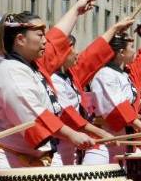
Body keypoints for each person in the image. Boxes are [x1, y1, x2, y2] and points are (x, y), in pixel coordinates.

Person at [0, 0, 97, 175]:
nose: (45, 40)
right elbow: (34, 115)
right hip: (1, 159)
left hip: (23, 159)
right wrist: (72, 134)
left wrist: (76, 10)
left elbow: (57, 39)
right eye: (40, 35)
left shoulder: (33, 68)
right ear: (21, 39)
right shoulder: (11, 70)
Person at [51, 20, 133, 164]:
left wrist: (113, 29)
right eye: (72, 48)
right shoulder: (53, 79)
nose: (77, 52)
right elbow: (68, 115)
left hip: (75, 147)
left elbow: (91, 55)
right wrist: (101, 132)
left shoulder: (71, 75)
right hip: (57, 150)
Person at [83, 29, 141, 164]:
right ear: (121, 52)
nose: (134, 50)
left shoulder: (123, 75)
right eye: (131, 47)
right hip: (104, 145)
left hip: (123, 141)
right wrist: (139, 124)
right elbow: (119, 107)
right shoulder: (105, 74)